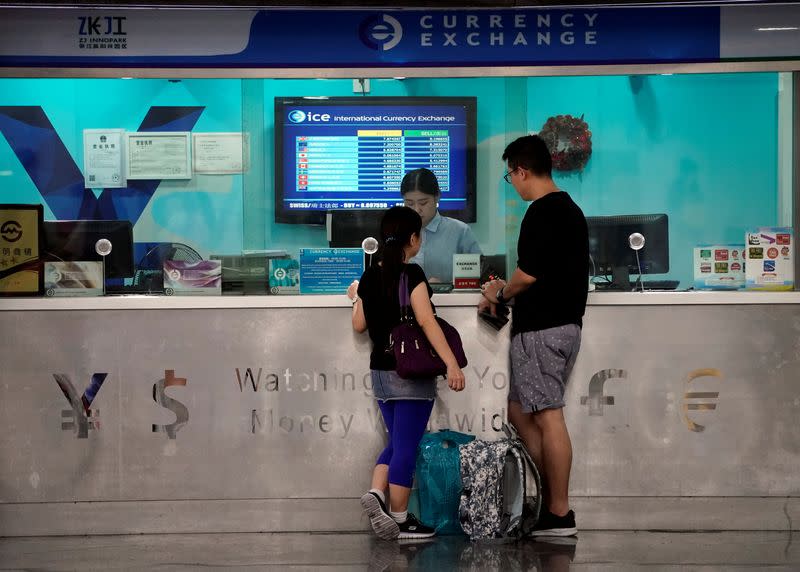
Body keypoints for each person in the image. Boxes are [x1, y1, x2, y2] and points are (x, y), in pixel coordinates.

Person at [480, 135, 588, 538]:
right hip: (562, 325)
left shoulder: (541, 212)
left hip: (543, 328)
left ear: (521, 171)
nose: (514, 184)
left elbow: (527, 275)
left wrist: (498, 292)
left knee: (547, 415)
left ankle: (559, 513)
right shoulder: (570, 209)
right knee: (520, 412)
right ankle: (546, 501)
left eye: (511, 176)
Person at [347, 205, 466, 541]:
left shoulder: (371, 275)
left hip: (381, 372)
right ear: (412, 239)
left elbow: (359, 325)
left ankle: (377, 493)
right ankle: (400, 519)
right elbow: (427, 322)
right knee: (407, 446)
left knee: (397, 442)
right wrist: (452, 364)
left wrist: (355, 298)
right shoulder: (411, 275)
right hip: (410, 371)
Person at [401, 168, 481, 283]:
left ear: (437, 196)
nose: (416, 210)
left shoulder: (459, 231)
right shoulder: (397, 232)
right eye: (409, 203)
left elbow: (479, 276)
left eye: (423, 203)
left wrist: (443, 286)